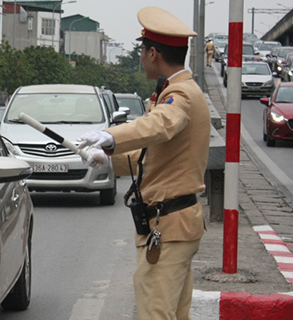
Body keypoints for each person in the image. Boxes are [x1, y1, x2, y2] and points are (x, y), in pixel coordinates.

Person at [77, 7, 211, 320]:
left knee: (155, 313)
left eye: (142, 50)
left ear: (153, 53)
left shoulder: (180, 95)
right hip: (175, 225)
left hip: (169, 224)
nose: (141, 56)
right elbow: (154, 155)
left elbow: (158, 126)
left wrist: (109, 137)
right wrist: (110, 159)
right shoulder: (174, 91)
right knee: (174, 313)